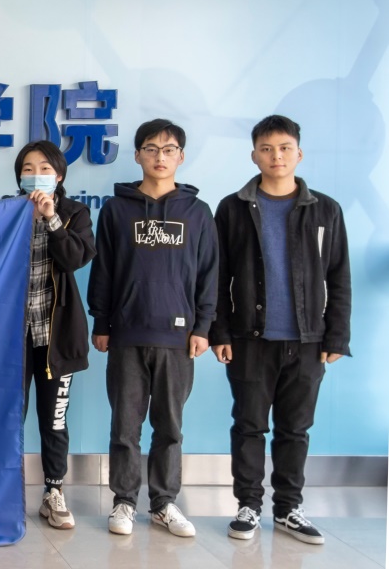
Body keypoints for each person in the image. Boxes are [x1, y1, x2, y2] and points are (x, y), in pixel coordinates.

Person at [210, 115, 351, 544]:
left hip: (308, 340)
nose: (276, 156)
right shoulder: (232, 208)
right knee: (249, 426)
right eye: (267, 149)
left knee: (295, 429)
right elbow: (216, 276)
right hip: (249, 339)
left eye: (285, 148)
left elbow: (339, 276)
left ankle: (289, 509)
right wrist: (219, 332)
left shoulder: (325, 209)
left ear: (299, 153)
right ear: (254, 155)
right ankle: (249, 506)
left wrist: (336, 335)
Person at [88, 119, 217, 538]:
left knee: (170, 427)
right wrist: (101, 320)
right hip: (127, 333)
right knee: (125, 426)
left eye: (168, 149)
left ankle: (163, 503)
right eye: (151, 149)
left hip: (178, 338)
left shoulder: (197, 213)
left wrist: (203, 326)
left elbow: (209, 274)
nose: (160, 157)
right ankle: (124, 501)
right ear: (137, 155)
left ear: (181, 156)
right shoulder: (116, 209)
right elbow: (104, 270)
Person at [12, 140, 95, 530]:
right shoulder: (7, 211)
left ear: (58, 175)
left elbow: (76, 258)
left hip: (55, 335)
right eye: (28, 168)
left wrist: (51, 219)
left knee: (54, 419)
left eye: (44, 168)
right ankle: (4, 490)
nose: (36, 174)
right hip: (9, 337)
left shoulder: (75, 213)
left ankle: (53, 491)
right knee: (9, 417)